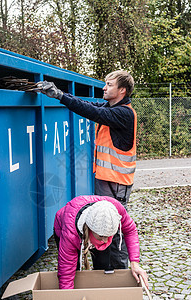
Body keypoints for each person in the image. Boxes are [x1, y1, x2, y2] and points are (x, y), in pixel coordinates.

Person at [37, 70, 137, 270]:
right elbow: (91, 106)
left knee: (113, 228)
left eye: (109, 84)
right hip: (107, 179)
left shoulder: (123, 113)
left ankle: (120, 274)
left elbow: (92, 112)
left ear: (122, 90)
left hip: (116, 182)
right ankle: (106, 271)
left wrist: (60, 96)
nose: (104, 87)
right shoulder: (112, 108)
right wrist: (61, 94)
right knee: (103, 225)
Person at [53, 195, 148, 289]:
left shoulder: (116, 209)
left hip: (94, 230)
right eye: (102, 236)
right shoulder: (70, 233)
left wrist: (134, 263)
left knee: (103, 267)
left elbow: (130, 230)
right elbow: (66, 274)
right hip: (65, 228)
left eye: (109, 235)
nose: (105, 240)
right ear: (90, 229)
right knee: (75, 271)